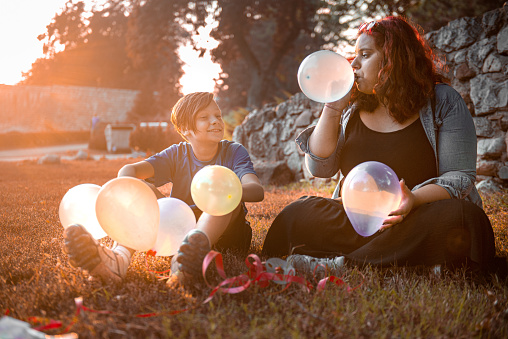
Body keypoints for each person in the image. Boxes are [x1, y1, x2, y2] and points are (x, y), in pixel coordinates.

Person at [262, 16, 497, 276]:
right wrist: (331, 108)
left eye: (365, 54)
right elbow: (319, 167)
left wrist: (412, 200)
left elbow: (459, 177)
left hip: (416, 217)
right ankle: (411, 265)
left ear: (394, 58)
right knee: (299, 211)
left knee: (465, 218)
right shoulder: (352, 110)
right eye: (354, 55)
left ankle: (345, 265)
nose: (353, 64)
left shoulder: (442, 100)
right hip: (358, 221)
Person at [64, 92, 264, 286]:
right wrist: (130, 196)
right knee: (140, 189)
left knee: (221, 201)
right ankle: (119, 259)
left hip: (227, 234)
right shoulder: (177, 154)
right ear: (186, 129)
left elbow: (256, 189)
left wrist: (227, 191)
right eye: (204, 117)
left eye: (218, 116)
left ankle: (184, 262)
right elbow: (129, 170)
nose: (215, 121)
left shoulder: (234, 151)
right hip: (177, 228)